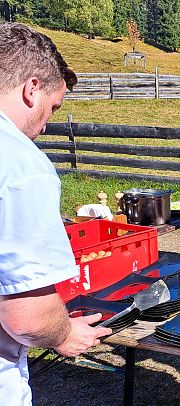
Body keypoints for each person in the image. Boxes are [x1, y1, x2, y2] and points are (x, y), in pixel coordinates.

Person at [0, 23, 112, 404]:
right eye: (52, 108)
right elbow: (27, 316)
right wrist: (64, 333)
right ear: (32, 89)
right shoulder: (19, 164)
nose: (46, 124)